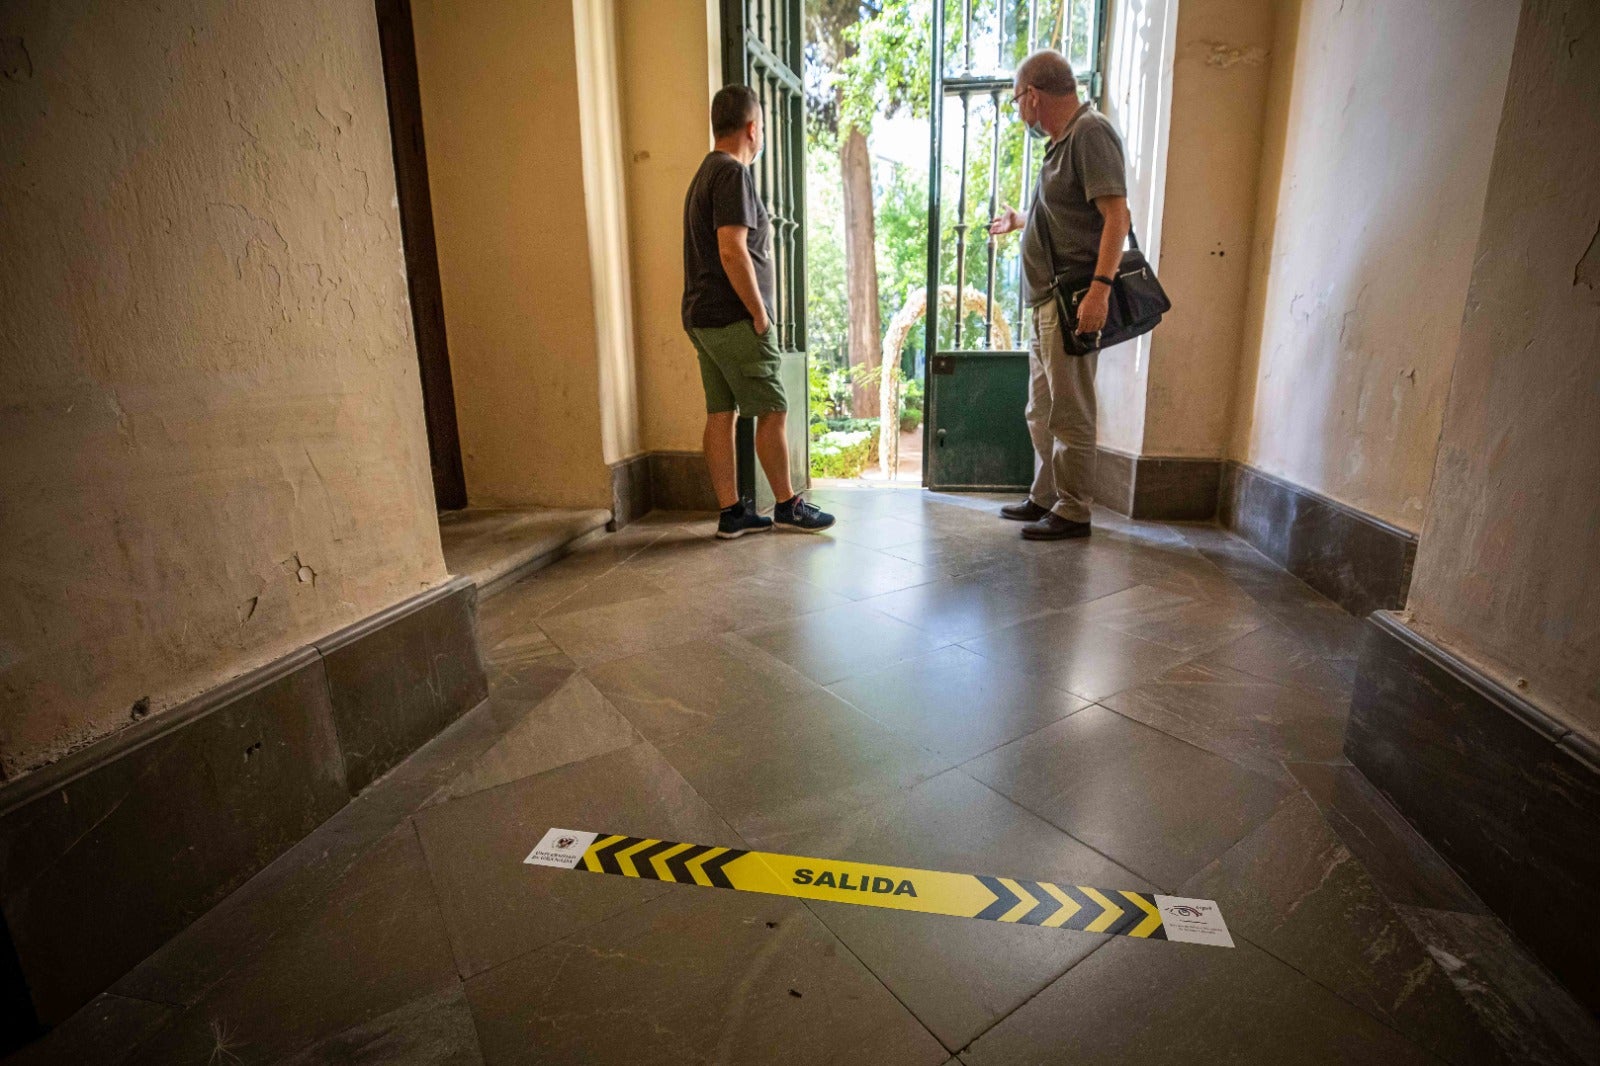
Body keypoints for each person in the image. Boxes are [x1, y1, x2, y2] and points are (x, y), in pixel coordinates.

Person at [988, 50, 1130, 540]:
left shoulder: (1091, 134)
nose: (1018, 111)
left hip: (1072, 300)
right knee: (1042, 409)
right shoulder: (1060, 143)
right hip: (1045, 298)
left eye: (1016, 100)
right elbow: (1067, 211)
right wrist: (1020, 221)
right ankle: (1045, 496)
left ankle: (1073, 509)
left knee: (1071, 411)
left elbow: (1117, 216)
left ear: (1033, 95)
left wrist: (1100, 291)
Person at [682, 85, 835, 539]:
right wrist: (760, 313)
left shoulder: (704, 173)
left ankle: (732, 514)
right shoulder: (732, 173)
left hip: (702, 316)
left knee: (720, 412)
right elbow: (732, 250)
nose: (762, 134)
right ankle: (788, 505)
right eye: (763, 126)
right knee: (773, 407)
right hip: (732, 318)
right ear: (752, 128)